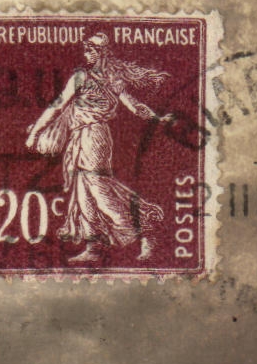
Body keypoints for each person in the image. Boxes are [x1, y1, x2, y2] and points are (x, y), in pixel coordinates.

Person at [26, 32, 174, 262]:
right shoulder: (90, 77)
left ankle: (146, 231)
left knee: (98, 187)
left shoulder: (98, 78)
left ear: (101, 53)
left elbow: (133, 106)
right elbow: (59, 106)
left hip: (94, 135)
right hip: (80, 136)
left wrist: (157, 118)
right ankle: (93, 247)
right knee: (82, 191)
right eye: (85, 51)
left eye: (90, 51)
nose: (86, 55)